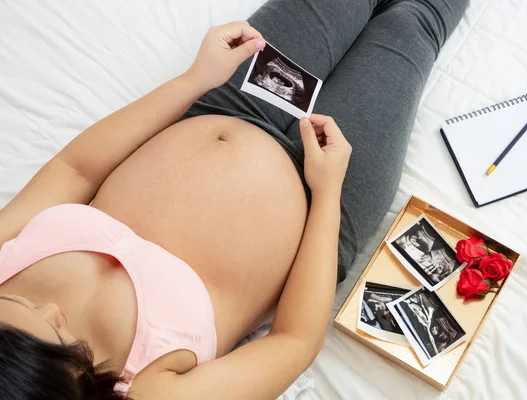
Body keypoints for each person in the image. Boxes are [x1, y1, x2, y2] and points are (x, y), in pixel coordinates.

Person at [0, 0, 467, 398]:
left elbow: (73, 170)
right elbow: (292, 343)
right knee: (415, 23)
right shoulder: (151, 391)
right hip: (323, 191)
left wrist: (192, 82)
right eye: (61, 338)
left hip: (226, 99)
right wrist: (327, 195)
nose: (48, 309)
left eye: (19, 306)